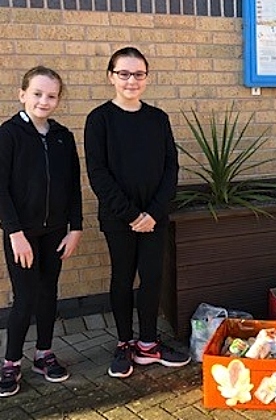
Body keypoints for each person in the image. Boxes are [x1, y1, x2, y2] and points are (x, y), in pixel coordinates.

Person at [84, 47, 189, 378]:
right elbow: (98, 173)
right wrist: (131, 215)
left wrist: (154, 213)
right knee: (122, 278)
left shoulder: (158, 119)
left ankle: (147, 345)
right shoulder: (99, 119)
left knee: (152, 277)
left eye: (138, 73)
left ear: (147, 77)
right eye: (124, 73)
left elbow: (171, 168)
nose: (132, 80)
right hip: (119, 218)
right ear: (111, 76)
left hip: (155, 217)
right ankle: (124, 342)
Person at [0, 66, 83, 396]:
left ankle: (44, 354)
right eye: (37, 93)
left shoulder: (63, 136)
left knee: (49, 292)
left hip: (55, 232)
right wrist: (14, 232)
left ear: (58, 100)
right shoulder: (8, 135)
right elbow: (1, 188)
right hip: (22, 234)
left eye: (51, 95)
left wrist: (75, 228)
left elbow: (74, 186)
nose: (43, 100)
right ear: (22, 95)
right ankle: (10, 363)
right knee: (25, 297)